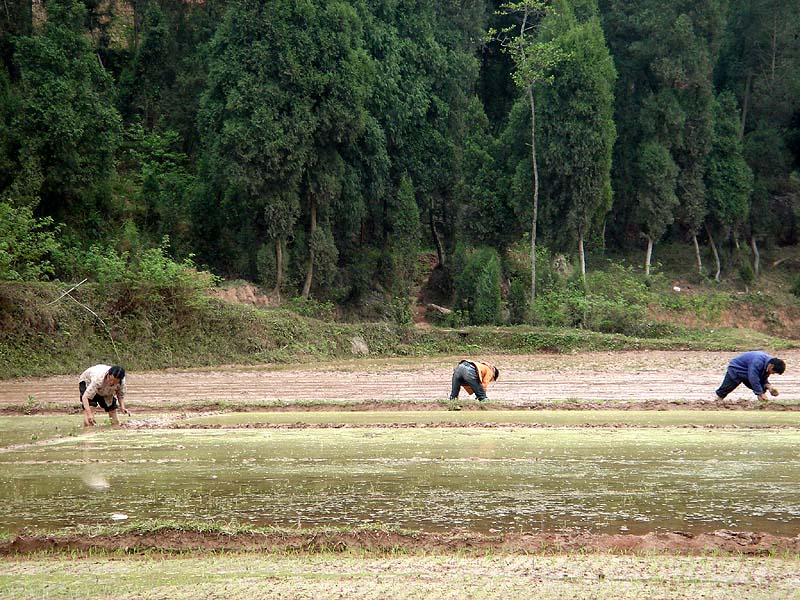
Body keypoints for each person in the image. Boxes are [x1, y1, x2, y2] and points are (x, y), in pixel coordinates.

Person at [714, 351, 785, 403]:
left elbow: (763, 378)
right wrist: (760, 393)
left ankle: (762, 403)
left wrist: (769, 387)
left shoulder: (768, 365)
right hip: (736, 369)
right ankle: (717, 401)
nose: (772, 374)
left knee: (761, 388)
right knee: (726, 388)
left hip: (748, 372)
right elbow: (753, 378)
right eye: (774, 372)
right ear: (771, 366)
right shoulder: (758, 361)